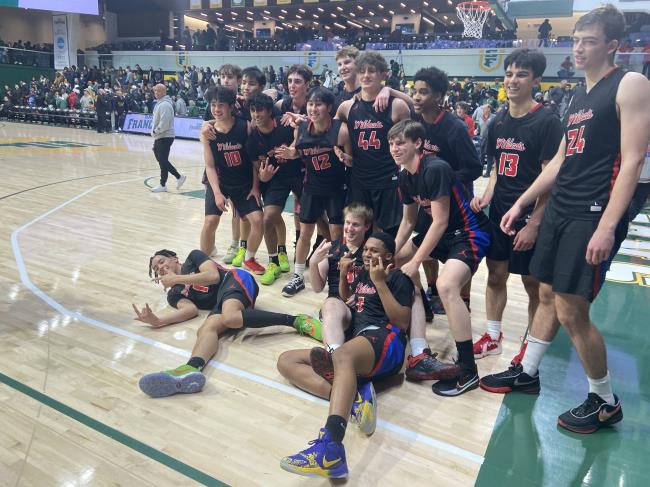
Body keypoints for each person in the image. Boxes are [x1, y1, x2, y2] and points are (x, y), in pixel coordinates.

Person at [480, 5, 650, 434]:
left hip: (591, 212)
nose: (579, 48)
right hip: (560, 208)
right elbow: (558, 161)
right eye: (576, 40)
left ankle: (604, 400)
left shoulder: (629, 84)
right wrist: (522, 204)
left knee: (572, 309)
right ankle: (528, 372)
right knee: (548, 294)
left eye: (589, 41)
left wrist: (607, 226)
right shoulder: (577, 96)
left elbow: (632, 161)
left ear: (612, 46)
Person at [279, 232, 414, 478]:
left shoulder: (398, 278)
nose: (367, 253)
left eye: (374, 250)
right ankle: (355, 397)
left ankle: (331, 448)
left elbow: (402, 321)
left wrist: (380, 283)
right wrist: (343, 275)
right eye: (366, 249)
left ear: (388, 256)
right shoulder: (363, 274)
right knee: (286, 361)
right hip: (360, 344)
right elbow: (346, 298)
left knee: (340, 355)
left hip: (388, 340)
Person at [469, 48, 563, 360]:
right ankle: (493, 335)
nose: (512, 80)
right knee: (496, 275)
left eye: (521, 74)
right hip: (500, 212)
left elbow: (551, 178)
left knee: (532, 283)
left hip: (531, 214)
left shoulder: (547, 122)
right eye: (509, 73)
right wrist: (487, 195)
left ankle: (529, 343)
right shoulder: (498, 121)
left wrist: (534, 223)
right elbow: (498, 169)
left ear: (536, 80)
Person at [136, 249, 322, 398]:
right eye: (156, 268)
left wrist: (177, 278)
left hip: (235, 279)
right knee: (205, 329)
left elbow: (213, 276)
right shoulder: (173, 294)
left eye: (162, 261)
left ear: (174, 258)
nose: (160, 268)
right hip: (222, 302)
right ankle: (191, 368)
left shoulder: (193, 257)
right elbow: (190, 310)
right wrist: (158, 321)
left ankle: (296, 320)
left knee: (230, 317)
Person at [390, 120, 490, 395]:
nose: (394, 148)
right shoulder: (405, 177)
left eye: (400, 143)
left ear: (418, 143)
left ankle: (468, 371)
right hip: (444, 234)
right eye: (391, 144)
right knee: (394, 262)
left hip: (468, 233)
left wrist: (415, 262)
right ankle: (418, 315)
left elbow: (440, 221)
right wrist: (393, 253)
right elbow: (408, 221)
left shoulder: (435, 168)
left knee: (446, 286)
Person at [406, 66, 484, 360]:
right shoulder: (414, 122)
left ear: (439, 96)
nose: (417, 96)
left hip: (456, 203)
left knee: (458, 254)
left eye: (423, 92)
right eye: (415, 90)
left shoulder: (454, 128)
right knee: (425, 246)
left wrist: (443, 180)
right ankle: (431, 293)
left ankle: (464, 299)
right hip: (427, 199)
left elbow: (474, 168)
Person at [279, 87, 353, 297]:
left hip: (336, 189)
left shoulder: (341, 130)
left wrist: (346, 158)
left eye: (318, 104)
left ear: (329, 108)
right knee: (304, 234)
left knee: (336, 235)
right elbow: (297, 150)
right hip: (311, 187)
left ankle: (336, 278)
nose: (313, 108)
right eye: (310, 104)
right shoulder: (301, 128)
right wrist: (290, 153)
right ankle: (298, 276)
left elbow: (353, 162)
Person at [336, 51, 411, 235]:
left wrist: (388, 90)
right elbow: (329, 131)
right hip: (359, 180)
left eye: (372, 71)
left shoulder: (397, 105)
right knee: (358, 233)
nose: (366, 75)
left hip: (388, 180)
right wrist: (342, 152)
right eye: (362, 71)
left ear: (383, 74)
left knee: (388, 235)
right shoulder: (347, 107)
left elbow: (411, 138)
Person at [200, 86, 266, 274]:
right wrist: (217, 193)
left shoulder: (246, 127)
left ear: (231, 106)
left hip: (244, 184)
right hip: (220, 183)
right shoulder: (207, 132)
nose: (216, 109)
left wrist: (255, 187)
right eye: (213, 105)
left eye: (221, 105)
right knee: (210, 221)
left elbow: (254, 161)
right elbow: (210, 166)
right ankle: (203, 262)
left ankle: (249, 258)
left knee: (258, 220)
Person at [245, 92, 299, 284]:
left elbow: (302, 135)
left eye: (259, 110)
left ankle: (330, 260)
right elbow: (256, 168)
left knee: (316, 217)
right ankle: (274, 262)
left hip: (299, 175)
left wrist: (294, 148)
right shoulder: (253, 139)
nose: (255, 114)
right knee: (269, 218)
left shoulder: (285, 124)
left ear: (269, 111)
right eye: (252, 110)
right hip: (275, 180)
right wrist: (261, 178)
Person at [307, 202, 372, 349]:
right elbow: (317, 288)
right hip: (339, 309)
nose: (349, 228)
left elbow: (383, 283)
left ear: (367, 226)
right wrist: (313, 263)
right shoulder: (331, 248)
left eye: (355, 224)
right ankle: (333, 353)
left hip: (365, 309)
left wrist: (362, 295)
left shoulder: (372, 250)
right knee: (330, 304)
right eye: (347, 223)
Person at [150, 84, 186, 193]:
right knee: (161, 160)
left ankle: (163, 184)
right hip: (161, 136)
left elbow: (164, 123)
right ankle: (178, 177)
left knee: (162, 160)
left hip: (165, 136)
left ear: (164, 92)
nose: (156, 93)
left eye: (158, 91)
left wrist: (156, 131)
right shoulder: (160, 103)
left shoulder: (165, 105)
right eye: (155, 91)